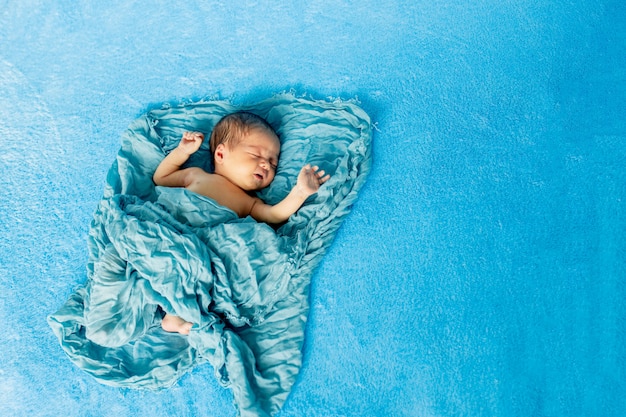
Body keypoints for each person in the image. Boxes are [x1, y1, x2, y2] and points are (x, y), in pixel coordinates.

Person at [152, 111, 330, 334]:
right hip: (175, 232)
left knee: (202, 269)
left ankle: (175, 314)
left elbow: (275, 215)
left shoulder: (248, 202)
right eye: (256, 155)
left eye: (273, 163)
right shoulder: (196, 175)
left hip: (205, 247)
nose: (266, 164)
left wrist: (300, 192)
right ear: (221, 153)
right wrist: (182, 152)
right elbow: (161, 179)